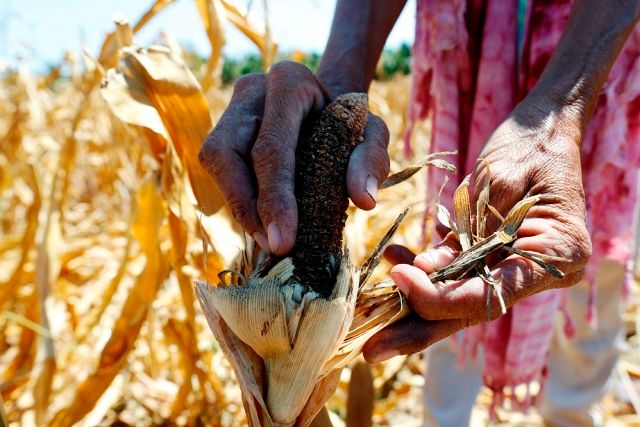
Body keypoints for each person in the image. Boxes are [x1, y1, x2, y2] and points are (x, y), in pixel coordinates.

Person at [199, 0, 640, 425]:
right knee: (457, 259)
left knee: (590, 289)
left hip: (600, 51)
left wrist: (562, 106)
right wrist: (336, 90)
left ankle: (573, 415)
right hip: (477, 55)